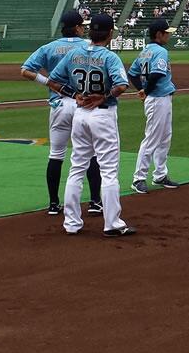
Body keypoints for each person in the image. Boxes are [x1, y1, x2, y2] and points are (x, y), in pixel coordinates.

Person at [46, 13, 134, 236]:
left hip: (80, 114)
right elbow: (122, 85)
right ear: (110, 33)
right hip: (102, 115)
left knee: (76, 168)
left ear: (91, 32)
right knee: (108, 170)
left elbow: (53, 81)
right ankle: (112, 223)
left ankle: (72, 223)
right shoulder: (109, 57)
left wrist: (74, 94)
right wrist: (103, 96)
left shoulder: (75, 53)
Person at [20, 10, 103, 215]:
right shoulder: (88, 46)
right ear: (77, 28)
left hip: (58, 105)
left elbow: (25, 71)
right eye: (82, 25)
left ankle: (53, 204)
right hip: (82, 104)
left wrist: (48, 82)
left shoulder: (49, 47)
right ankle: (94, 202)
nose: (84, 28)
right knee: (90, 154)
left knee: (56, 155)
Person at [127, 18, 180, 194]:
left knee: (165, 137)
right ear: (159, 34)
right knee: (152, 138)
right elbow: (157, 74)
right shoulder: (160, 51)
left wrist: (142, 89)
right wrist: (146, 91)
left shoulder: (145, 51)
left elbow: (132, 73)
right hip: (157, 99)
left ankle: (160, 174)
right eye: (166, 32)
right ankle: (138, 178)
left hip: (160, 99)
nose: (168, 35)